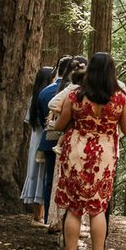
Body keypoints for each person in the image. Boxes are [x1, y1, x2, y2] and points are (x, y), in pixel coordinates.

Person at [53, 52, 126, 250]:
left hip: (76, 152)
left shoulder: (76, 96)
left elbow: (60, 125)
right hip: (104, 154)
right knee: (97, 207)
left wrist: (71, 121)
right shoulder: (120, 99)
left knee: (74, 207)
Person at [36, 55, 75, 225]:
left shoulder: (45, 91)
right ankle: (63, 219)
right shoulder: (73, 93)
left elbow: (40, 117)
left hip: (49, 137)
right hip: (67, 139)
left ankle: (49, 219)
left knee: (49, 179)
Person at [20, 65, 55, 226]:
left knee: (37, 171)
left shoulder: (35, 98)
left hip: (36, 138)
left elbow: (29, 121)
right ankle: (38, 216)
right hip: (43, 137)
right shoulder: (45, 97)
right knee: (41, 172)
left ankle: (38, 214)